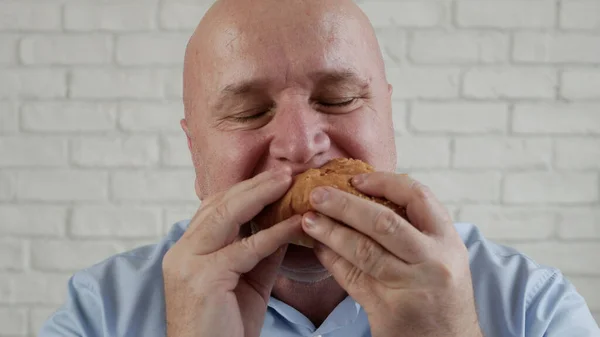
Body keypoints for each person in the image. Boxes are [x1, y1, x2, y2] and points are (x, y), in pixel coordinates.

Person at [39, 0, 599, 336]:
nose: (302, 146)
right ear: (195, 152)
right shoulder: (101, 313)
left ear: (388, 118)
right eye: (248, 112)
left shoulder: (532, 306)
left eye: (338, 100)